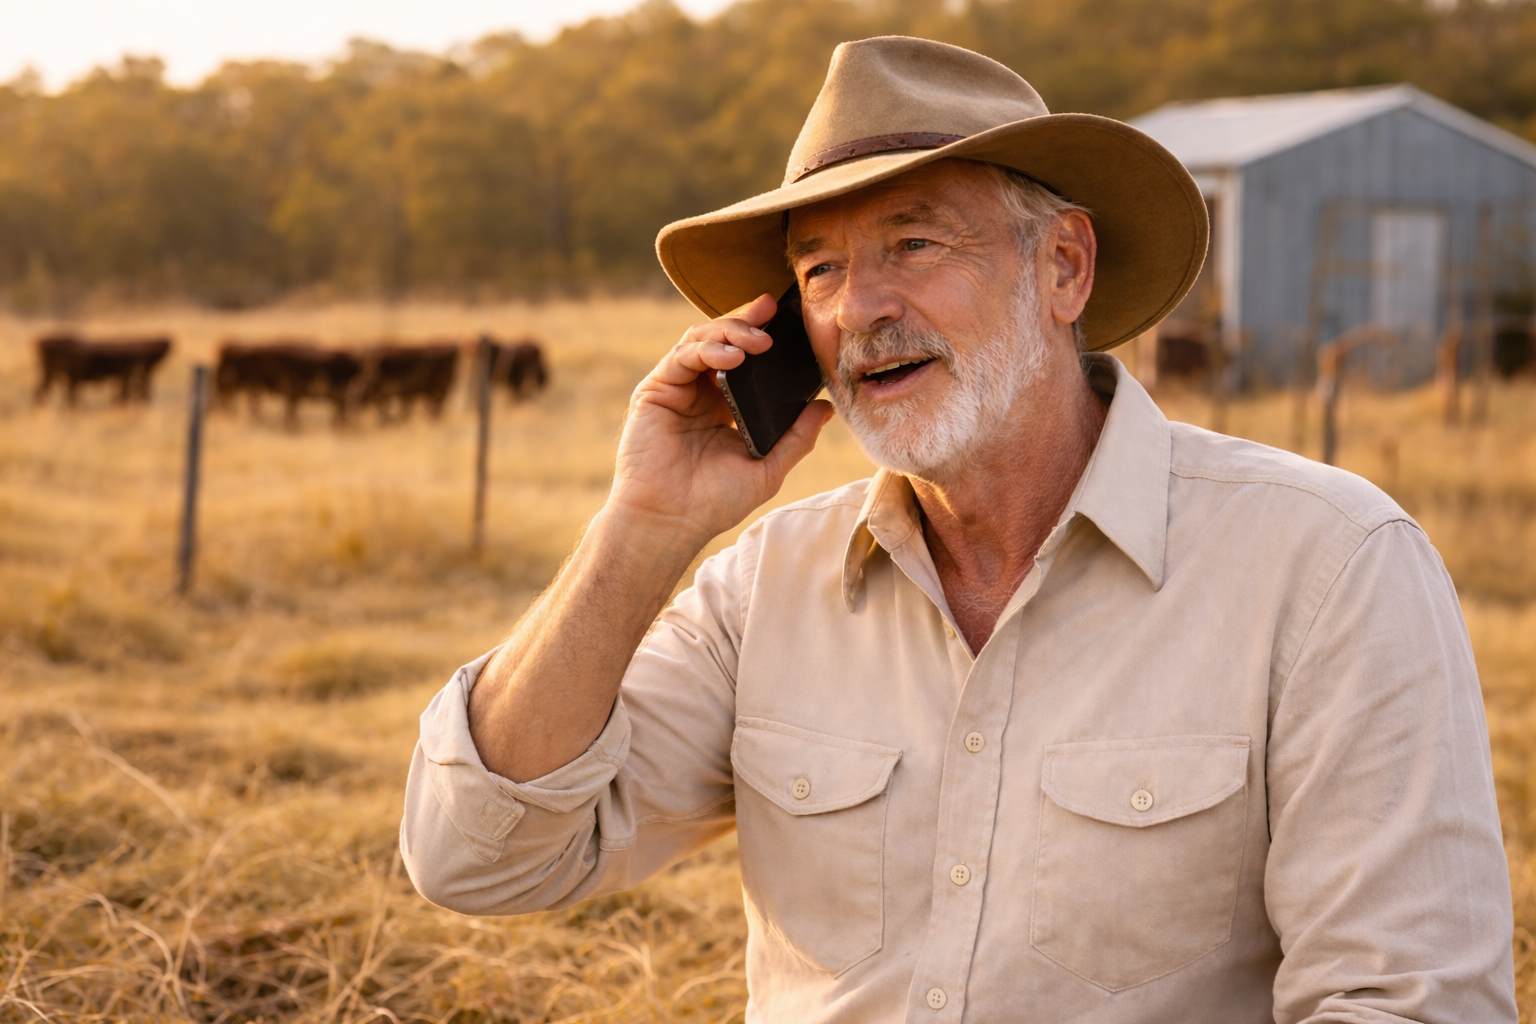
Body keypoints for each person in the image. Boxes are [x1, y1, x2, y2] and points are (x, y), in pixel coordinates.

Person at [400, 36, 1515, 1023]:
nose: (858, 310)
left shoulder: (1326, 564)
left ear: (1063, 267)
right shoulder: (763, 590)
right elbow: (476, 857)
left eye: (914, 244)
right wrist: (642, 526)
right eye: (820, 269)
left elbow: (1404, 999)